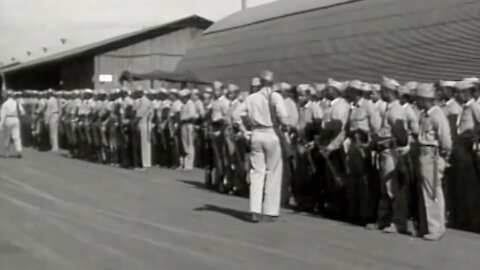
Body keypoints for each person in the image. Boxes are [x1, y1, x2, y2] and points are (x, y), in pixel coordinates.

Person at [233, 70, 289, 222]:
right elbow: (284, 117)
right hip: (272, 133)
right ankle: (270, 211)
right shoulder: (276, 96)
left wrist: (244, 131)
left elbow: (236, 115)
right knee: (273, 172)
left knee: (257, 172)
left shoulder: (251, 98)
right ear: (271, 83)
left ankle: (255, 210)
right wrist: (284, 125)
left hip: (256, 133)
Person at [368, 77, 410, 234]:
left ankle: (398, 222)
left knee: (394, 188)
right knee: (385, 187)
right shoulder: (389, 109)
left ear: (387, 91)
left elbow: (402, 136)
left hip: (391, 153)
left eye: (382, 90)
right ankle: (384, 219)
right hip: (384, 152)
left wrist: (389, 142)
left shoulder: (395, 111)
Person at [415, 82, 452, 240]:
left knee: (432, 192)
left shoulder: (436, 114)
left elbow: (445, 139)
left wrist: (442, 155)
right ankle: (433, 226)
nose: (417, 102)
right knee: (430, 191)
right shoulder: (426, 114)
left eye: (419, 99)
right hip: (425, 154)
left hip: (432, 155)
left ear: (425, 99)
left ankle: (435, 228)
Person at [452, 79, 480, 231]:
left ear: (466, 93)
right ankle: (464, 219)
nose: (458, 95)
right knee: (461, 186)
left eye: (460, 93)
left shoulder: (474, 107)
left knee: (470, 187)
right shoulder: (464, 108)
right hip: (460, 149)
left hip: (467, 149)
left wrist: (474, 135)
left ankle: (474, 221)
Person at [0, 90, 25, 158]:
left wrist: (0, 125)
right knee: (17, 136)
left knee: (7, 137)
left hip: (8, 119)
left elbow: (2, 115)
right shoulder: (16, 103)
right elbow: (22, 112)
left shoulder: (5, 104)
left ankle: (7, 152)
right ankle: (19, 150)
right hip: (15, 119)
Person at [179, 89, 199, 170]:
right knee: (185, 144)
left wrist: (184, 118)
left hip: (189, 124)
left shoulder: (190, 104)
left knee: (189, 144)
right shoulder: (183, 105)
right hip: (184, 124)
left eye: (183, 97)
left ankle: (189, 164)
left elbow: (193, 115)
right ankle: (186, 163)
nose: (182, 99)